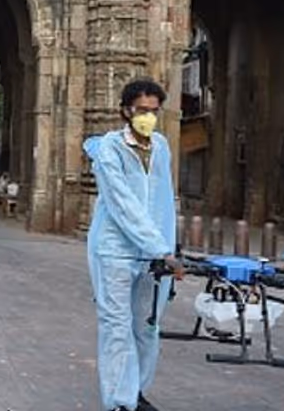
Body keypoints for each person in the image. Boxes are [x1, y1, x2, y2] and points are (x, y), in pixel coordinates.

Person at [83, 78, 181, 411]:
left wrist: (170, 248)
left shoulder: (162, 146)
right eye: (142, 110)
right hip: (114, 251)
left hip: (153, 255)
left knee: (147, 326)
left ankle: (136, 391)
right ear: (126, 111)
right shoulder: (110, 148)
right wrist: (160, 248)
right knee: (117, 328)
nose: (148, 117)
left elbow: (166, 201)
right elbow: (122, 203)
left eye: (154, 111)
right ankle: (119, 402)